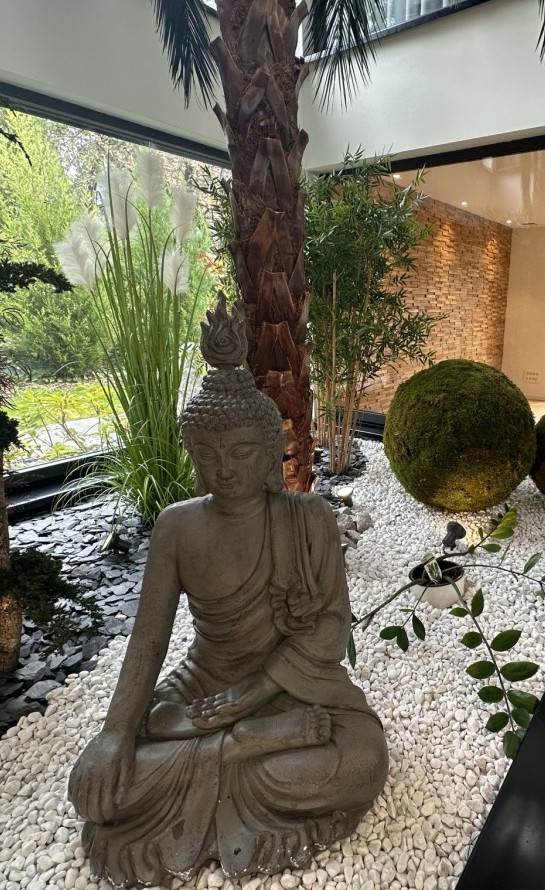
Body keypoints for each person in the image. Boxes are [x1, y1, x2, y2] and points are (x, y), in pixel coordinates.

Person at [68, 297, 388, 886]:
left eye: (242, 453)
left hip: (291, 687)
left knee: (364, 759)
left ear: (270, 452)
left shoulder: (308, 516)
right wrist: (115, 733)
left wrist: (256, 693)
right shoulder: (177, 526)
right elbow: (149, 639)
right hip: (204, 686)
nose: (225, 470)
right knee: (98, 788)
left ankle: (228, 745)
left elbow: (331, 628)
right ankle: (242, 746)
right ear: (193, 454)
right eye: (208, 455)